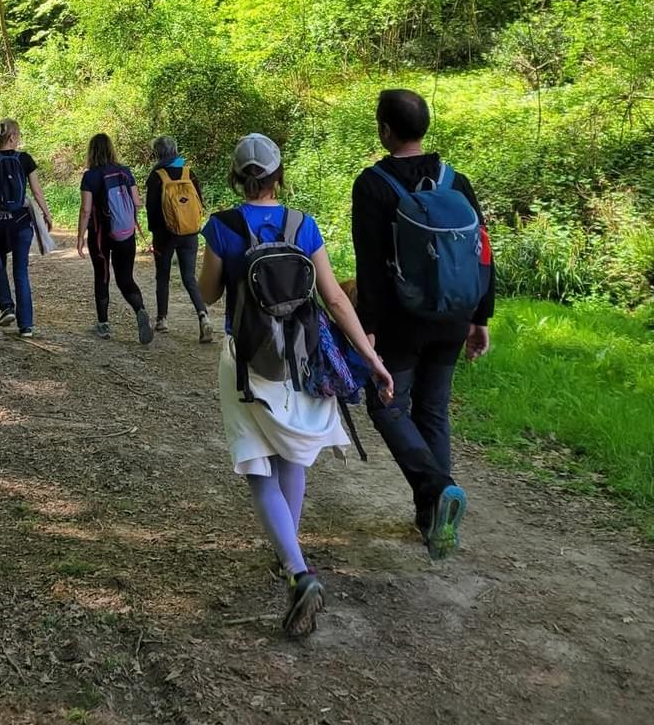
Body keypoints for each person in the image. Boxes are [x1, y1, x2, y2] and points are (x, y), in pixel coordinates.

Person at [199, 133, 393, 639]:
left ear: (236, 177)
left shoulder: (221, 227)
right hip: (303, 361)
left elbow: (208, 293)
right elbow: (336, 301)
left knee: (257, 465)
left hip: (248, 364)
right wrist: (372, 358)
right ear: (278, 176)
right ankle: (289, 552)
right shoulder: (303, 225)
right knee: (292, 461)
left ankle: (297, 570)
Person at [352, 88, 494, 561]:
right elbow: (482, 252)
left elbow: (370, 265)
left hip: (400, 323)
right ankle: (432, 522)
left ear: (385, 130)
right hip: (454, 316)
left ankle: (436, 488)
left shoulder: (373, 184)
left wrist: (367, 328)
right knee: (432, 411)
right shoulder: (456, 181)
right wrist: (480, 316)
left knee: (386, 405)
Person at [0, 119, 53, 337]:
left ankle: (7, 307)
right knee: (21, 271)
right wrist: (46, 214)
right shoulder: (25, 159)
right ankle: (26, 325)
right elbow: (36, 191)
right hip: (21, 222)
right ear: (13, 137)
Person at [78, 133, 153, 345]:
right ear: (111, 149)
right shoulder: (125, 172)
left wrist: (80, 236)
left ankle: (103, 325)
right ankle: (140, 309)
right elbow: (137, 202)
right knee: (125, 278)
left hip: (99, 235)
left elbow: (86, 210)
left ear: (92, 152)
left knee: (102, 277)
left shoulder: (90, 176)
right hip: (125, 233)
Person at [144, 134, 212, 343]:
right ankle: (203, 315)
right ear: (175, 150)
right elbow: (199, 202)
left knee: (163, 276)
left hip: (165, 234)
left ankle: (162, 319)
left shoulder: (157, 176)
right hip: (190, 232)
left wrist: (154, 232)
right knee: (189, 277)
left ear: (157, 153)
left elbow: (151, 208)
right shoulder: (189, 173)